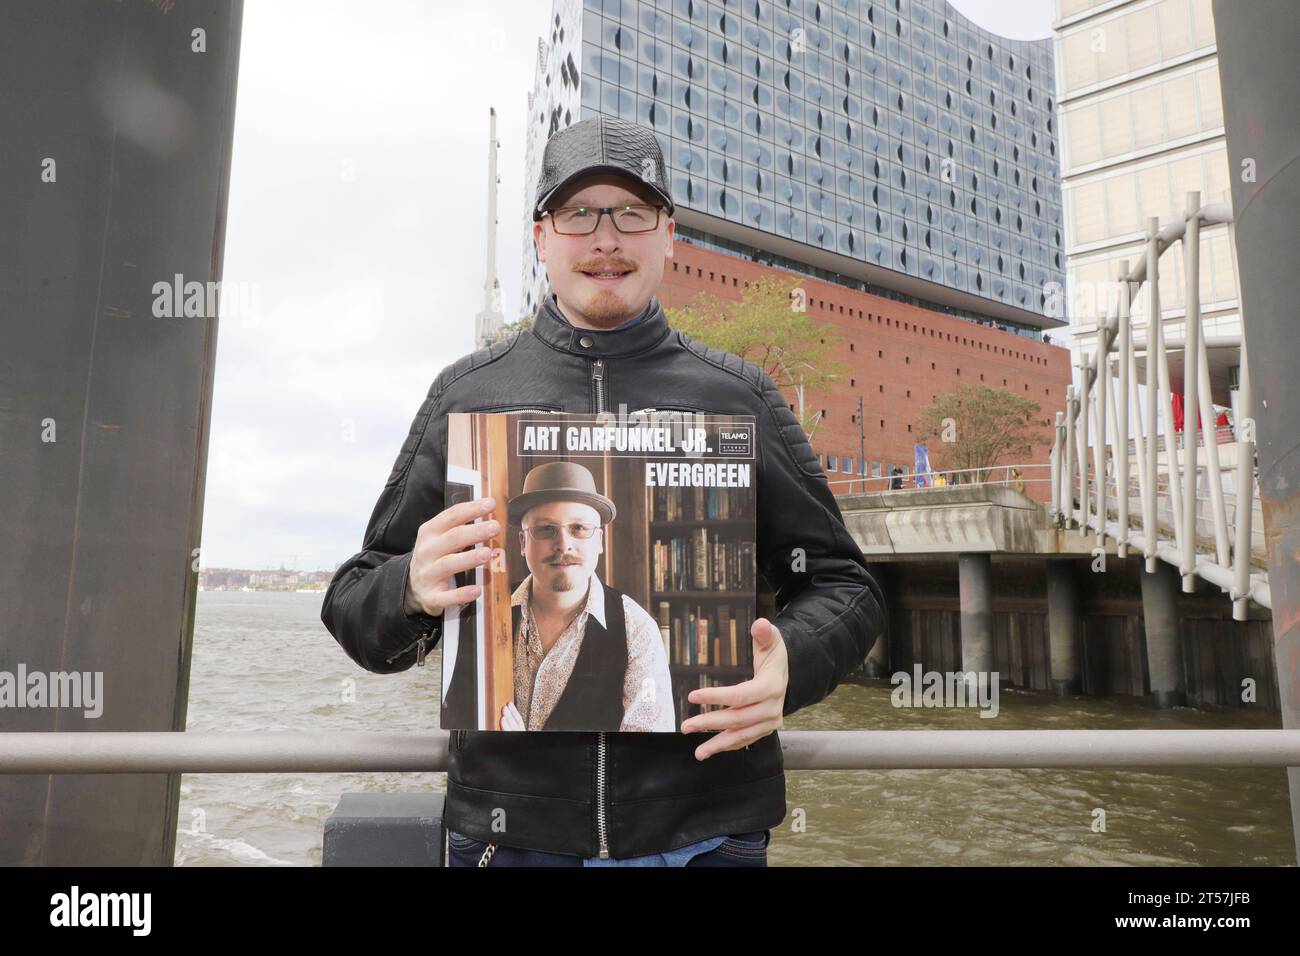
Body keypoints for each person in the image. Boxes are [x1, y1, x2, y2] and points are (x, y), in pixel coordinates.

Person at [320, 115, 886, 867]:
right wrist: (411, 586)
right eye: (578, 213)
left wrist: (794, 658)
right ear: (541, 238)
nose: (606, 238)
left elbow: (847, 585)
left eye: (633, 212)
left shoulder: (738, 396)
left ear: (669, 235)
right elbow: (355, 609)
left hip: (706, 835)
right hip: (510, 838)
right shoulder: (465, 395)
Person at [498, 460, 673, 733]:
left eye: (579, 528)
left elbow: (644, 758)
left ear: (599, 541)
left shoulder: (637, 631)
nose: (563, 544)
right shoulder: (485, 611)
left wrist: (527, 754)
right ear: (522, 543)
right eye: (546, 529)